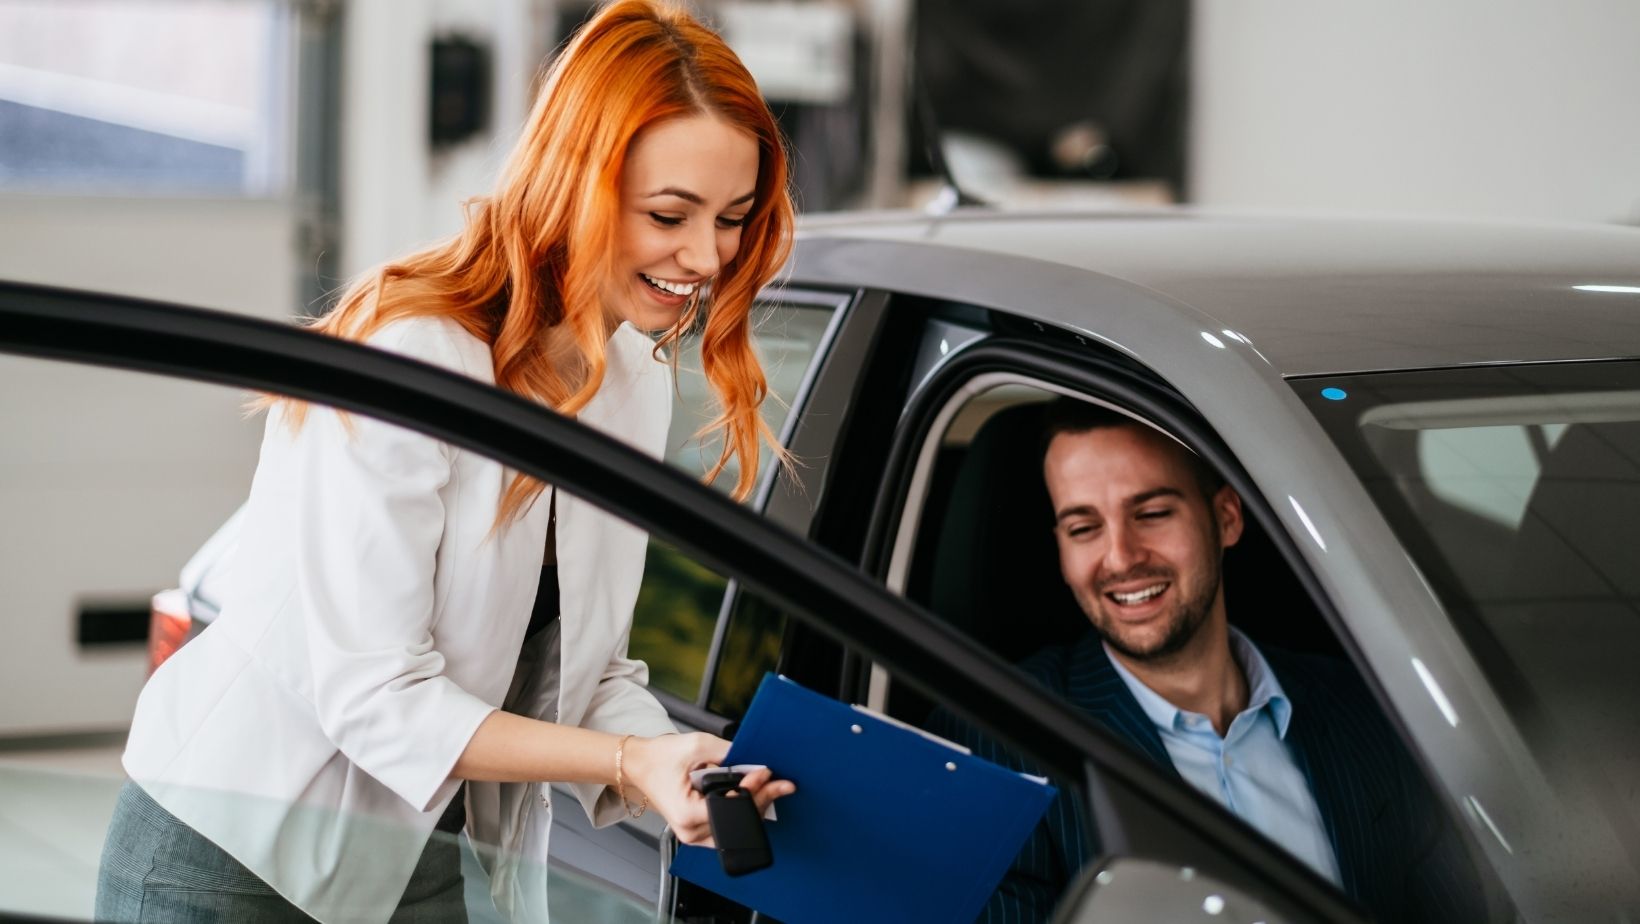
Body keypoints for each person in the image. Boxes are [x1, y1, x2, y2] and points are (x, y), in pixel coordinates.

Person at [94, 3, 796, 921]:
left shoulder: (632, 377)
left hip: (414, 852)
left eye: (734, 219)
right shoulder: (415, 350)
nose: (706, 257)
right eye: (670, 214)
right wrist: (625, 763)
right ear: (575, 184)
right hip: (232, 854)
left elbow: (579, 664)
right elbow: (376, 692)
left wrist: (676, 767)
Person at [926, 397, 1485, 923]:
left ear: (1226, 518)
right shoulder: (992, 742)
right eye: (1084, 528)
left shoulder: (1367, 708)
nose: (1120, 558)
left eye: (1151, 513)